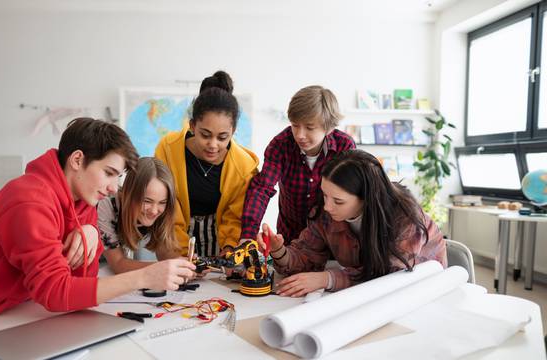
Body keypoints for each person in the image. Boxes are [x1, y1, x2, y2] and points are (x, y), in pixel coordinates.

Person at [0, 118, 195, 359]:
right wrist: (143, 278)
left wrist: (91, 231)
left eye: (116, 177)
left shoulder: (84, 201)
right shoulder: (28, 200)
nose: (111, 188)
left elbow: (84, 279)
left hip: (6, 323)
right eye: (108, 173)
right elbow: (56, 292)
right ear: (77, 160)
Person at [257, 149, 447, 297]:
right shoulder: (325, 213)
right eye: (324, 195)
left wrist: (328, 279)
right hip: (366, 300)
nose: (327, 207)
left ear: (367, 199)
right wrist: (278, 250)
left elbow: (390, 278)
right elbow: (307, 258)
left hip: (422, 295)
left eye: (338, 201)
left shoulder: (405, 217)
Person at [155, 71, 259, 257]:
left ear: (233, 131)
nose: (213, 145)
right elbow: (168, 207)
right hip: (173, 237)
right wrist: (184, 253)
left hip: (219, 241)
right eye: (205, 135)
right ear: (192, 125)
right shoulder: (168, 149)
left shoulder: (244, 167)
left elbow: (234, 217)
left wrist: (228, 250)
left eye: (222, 137)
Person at [240, 85, 356, 245]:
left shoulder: (344, 146)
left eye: (309, 128)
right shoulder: (280, 145)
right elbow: (262, 188)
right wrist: (248, 234)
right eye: (295, 125)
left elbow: (351, 196)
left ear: (328, 128)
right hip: (290, 237)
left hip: (332, 238)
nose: (300, 135)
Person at [98, 157, 180, 273]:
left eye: (162, 202)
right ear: (130, 194)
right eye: (147, 201)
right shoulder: (106, 206)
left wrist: (183, 263)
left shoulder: (162, 212)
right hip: (95, 274)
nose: (154, 211)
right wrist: (165, 268)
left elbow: (165, 252)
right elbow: (118, 264)